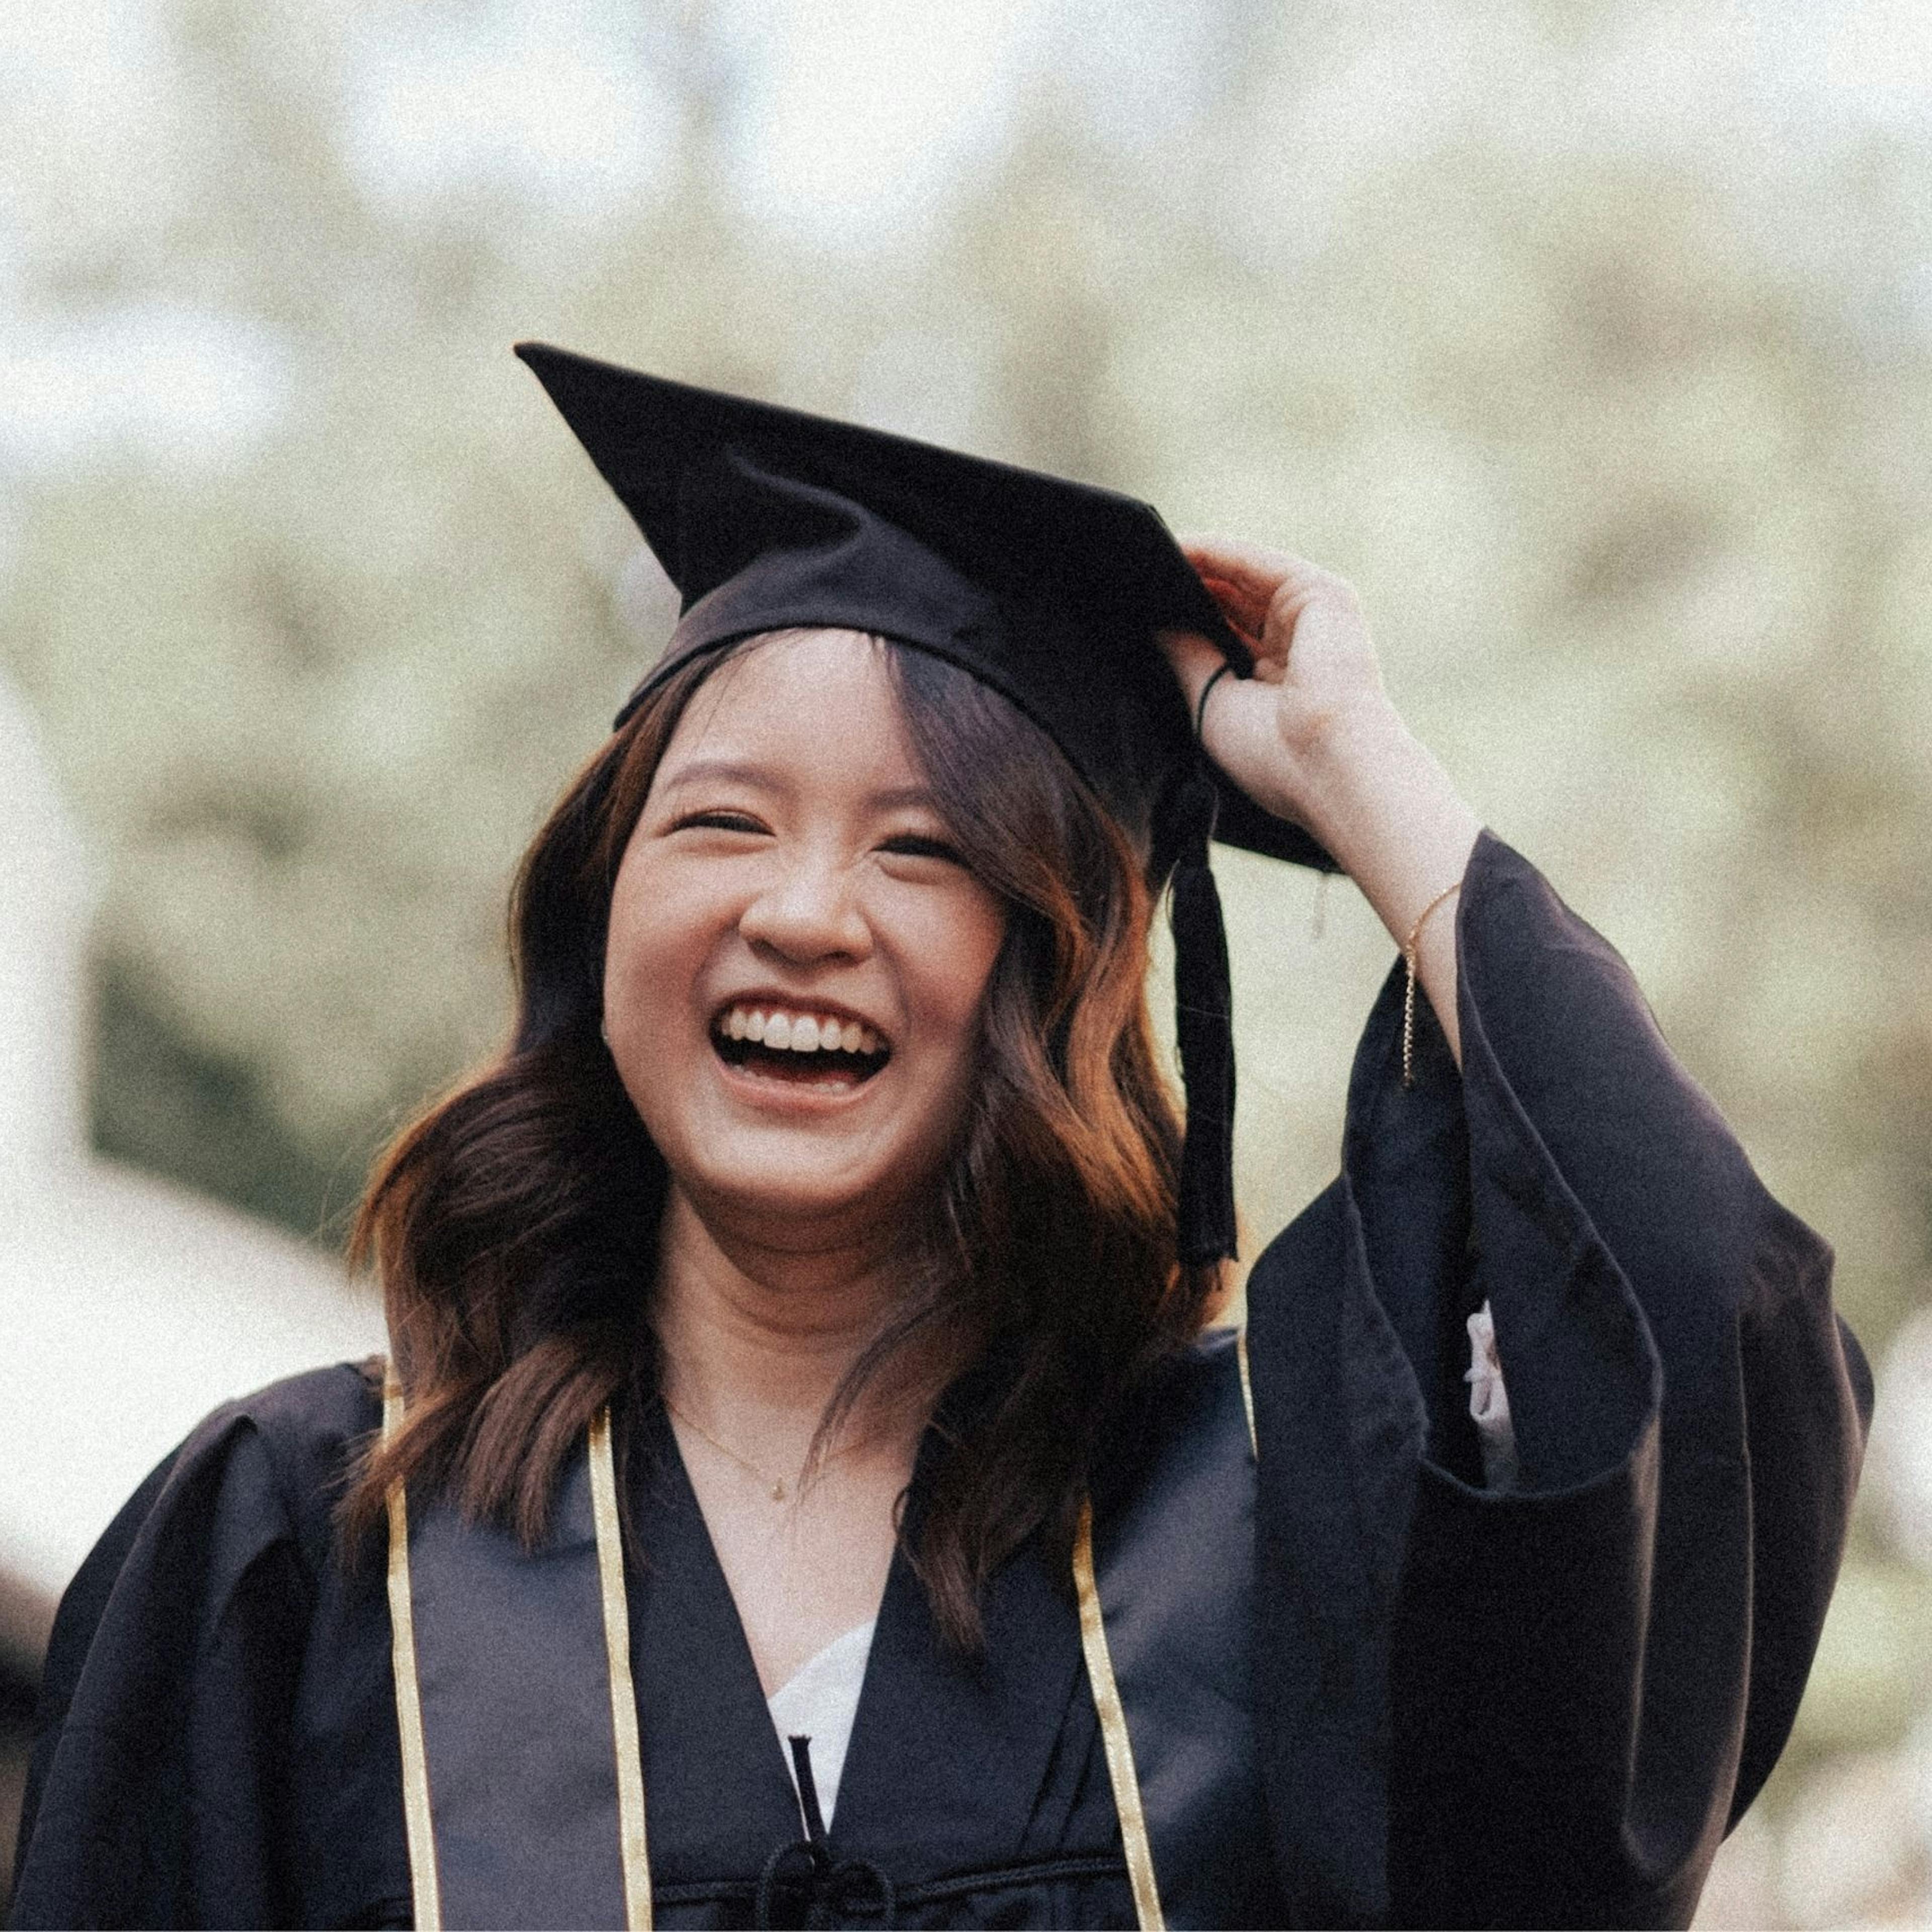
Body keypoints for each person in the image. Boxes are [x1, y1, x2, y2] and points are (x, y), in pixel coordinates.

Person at [10, 345, 1871, 1932]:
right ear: (601, 919)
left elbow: (1692, 1336)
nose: (808, 912)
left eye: (924, 849)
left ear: (1057, 975)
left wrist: (1364, 783)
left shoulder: (1264, 1526)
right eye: (723, 826)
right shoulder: (300, 1547)